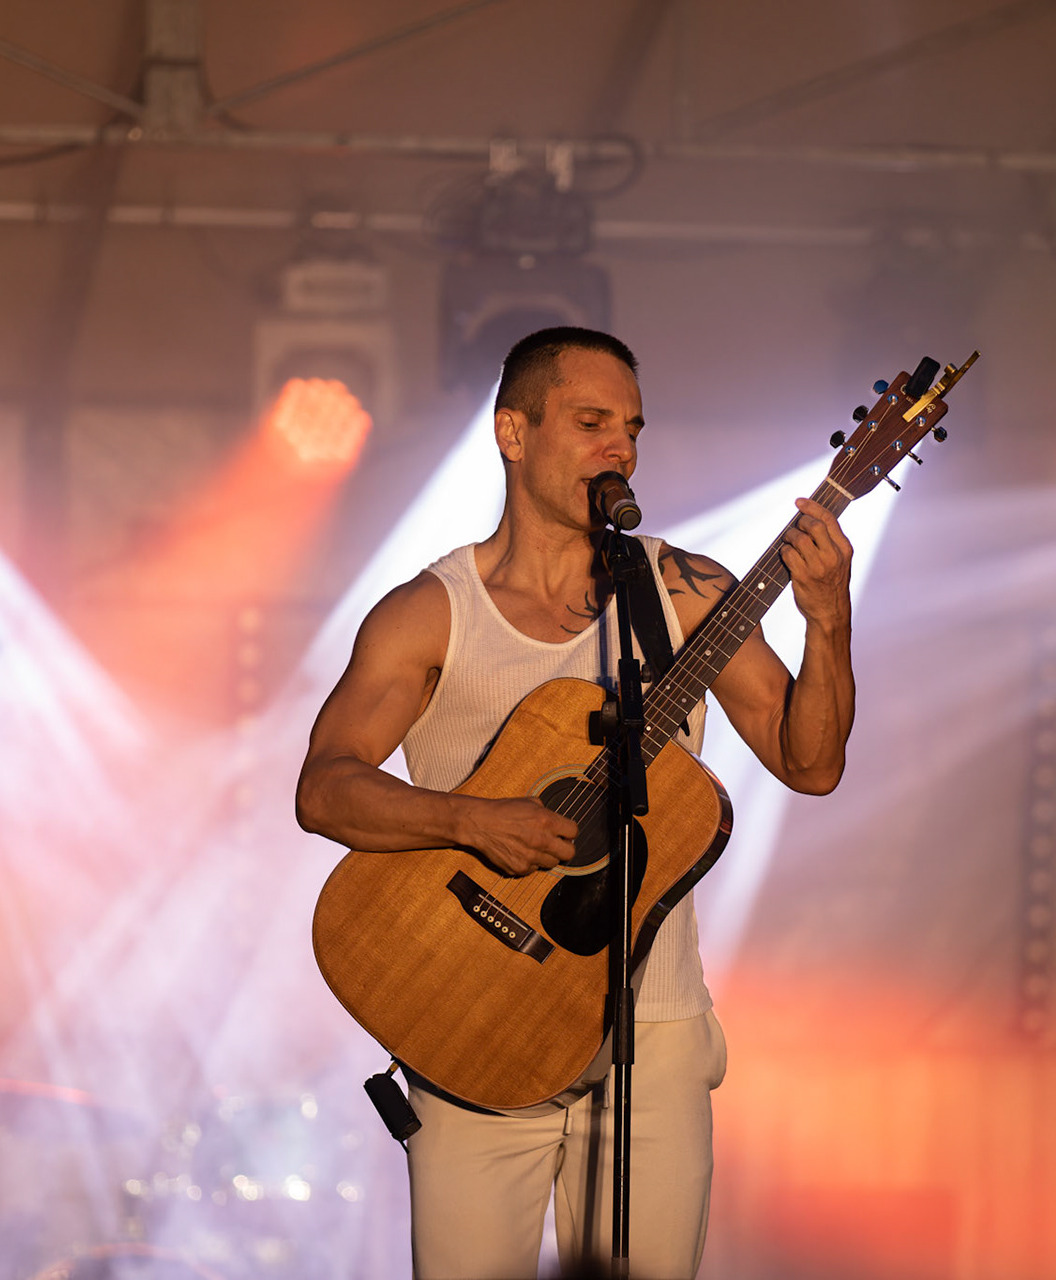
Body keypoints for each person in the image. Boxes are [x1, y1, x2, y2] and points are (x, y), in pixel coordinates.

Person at [295, 327, 857, 1279]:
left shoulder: (682, 593)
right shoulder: (430, 613)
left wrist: (830, 619)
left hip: (651, 1032)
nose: (620, 449)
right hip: (472, 1021)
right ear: (513, 432)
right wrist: (470, 820)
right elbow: (325, 788)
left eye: (632, 428)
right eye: (591, 421)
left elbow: (809, 764)